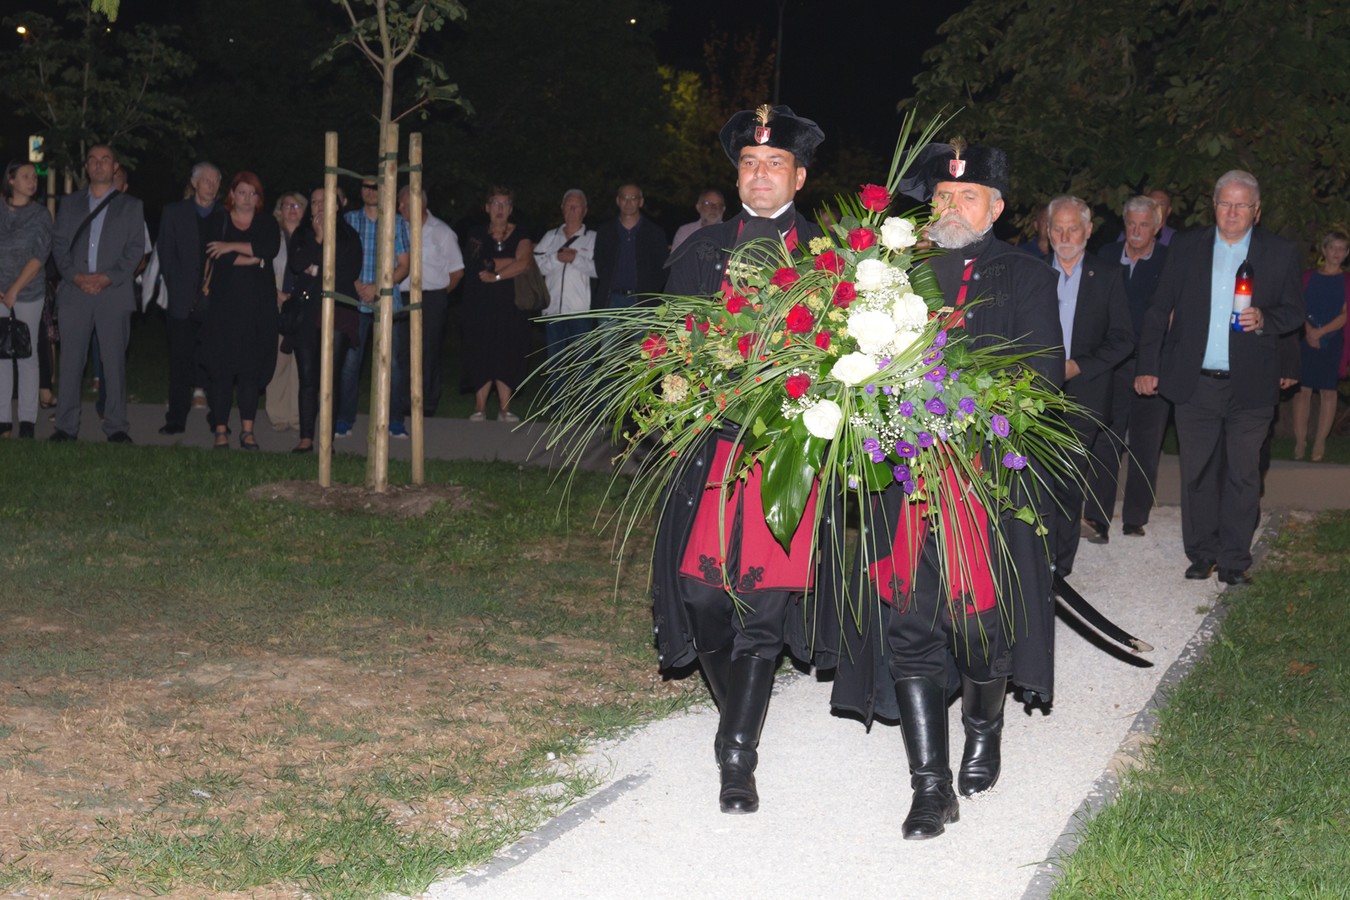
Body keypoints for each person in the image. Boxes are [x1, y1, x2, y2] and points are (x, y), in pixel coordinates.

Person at [826, 141, 1063, 840]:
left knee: (978, 623)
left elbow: (1042, 376)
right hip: (904, 476)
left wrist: (974, 409)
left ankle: (983, 728)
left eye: (968, 197)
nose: (951, 207)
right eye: (942, 196)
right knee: (909, 621)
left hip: (981, 480)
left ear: (995, 207)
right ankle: (929, 787)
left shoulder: (1023, 275)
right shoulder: (896, 275)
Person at [655, 104, 825, 815]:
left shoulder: (832, 256)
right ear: (736, 175)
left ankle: (736, 756)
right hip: (714, 447)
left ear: (800, 174)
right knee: (699, 594)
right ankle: (738, 720)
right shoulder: (700, 250)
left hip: (789, 451)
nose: (760, 175)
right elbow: (667, 343)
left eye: (775, 164)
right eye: (750, 164)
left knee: (761, 602)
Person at [1134, 170, 1304, 585]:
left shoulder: (1279, 253)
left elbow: (1294, 312)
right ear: (1214, 206)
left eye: (1241, 204)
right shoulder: (1188, 247)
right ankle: (1201, 552)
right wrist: (1147, 364)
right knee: (1197, 473)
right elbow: (1160, 309)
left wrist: (1265, 318)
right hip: (1194, 384)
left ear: (1256, 211)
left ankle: (1233, 560)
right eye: (1225, 203)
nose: (1232, 212)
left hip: (1251, 384)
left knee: (1243, 474)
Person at [1044, 195, 1134, 561]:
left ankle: (1058, 566)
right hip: (1034, 392)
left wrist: (1080, 364)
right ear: (1048, 231)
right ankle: (1036, 558)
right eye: (1058, 228)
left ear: (1088, 231)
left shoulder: (1108, 276)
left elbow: (1124, 338)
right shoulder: (1031, 273)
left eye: (1073, 228)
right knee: (1037, 480)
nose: (1065, 236)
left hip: (1085, 392)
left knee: (1066, 479)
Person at [1087, 195, 1171, 537]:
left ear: (1158, 227)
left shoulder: (1169, 262)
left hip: (1154, 365)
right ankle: (1097, 517)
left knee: (1145, 445)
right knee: (1105, 441)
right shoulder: (1106, 257)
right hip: (1111, 365)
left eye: (1144, 225)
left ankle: (1136, 517)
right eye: (1131, 224)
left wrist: (1155, 364)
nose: (1136, 231)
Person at [50, 144, 145, 443]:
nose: (99, 164)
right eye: (93, 160)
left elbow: (135, 251)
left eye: (105, 160)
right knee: (71, 362)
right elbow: (59, 246)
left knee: (113, 361)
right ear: (87, 167)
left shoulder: (131, 206)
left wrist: (106, 278)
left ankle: (116, 426)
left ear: (115, 167)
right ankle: (65, 427)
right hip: (74, 293)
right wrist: (76, 277)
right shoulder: (70, 203)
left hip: (112, 292)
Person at [199, 171, 281, 450]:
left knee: (250, 372)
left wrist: (231, 247)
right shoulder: (217, 220)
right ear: (231, 194)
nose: (246, 197)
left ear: (259, 198)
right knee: (221, 373)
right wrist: (253, 257)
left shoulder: (267, 222)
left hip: (257, 312)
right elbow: (214, 256)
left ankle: (248, 431)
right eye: (242, 192)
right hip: (222, 311)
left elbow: (268, 249)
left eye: (252, 193)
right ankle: (220, 429)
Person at [287, 187, 362, 452]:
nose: (319, 206)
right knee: (308, 376)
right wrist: (318, 241)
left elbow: (347, 270)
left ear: (337, 205)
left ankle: (326, 439)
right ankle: (306, 437)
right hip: (307, 313)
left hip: (338, 312)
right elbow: (297, 264)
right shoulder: (303, 234)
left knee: (331, 377)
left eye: (325, 201)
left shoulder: (349, 236)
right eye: (315, 201)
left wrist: (316, 266)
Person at [338, 178, 411, 438]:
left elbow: (404, 264)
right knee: (349, 363)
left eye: (377, 186)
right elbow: (340, 258)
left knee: (391, 364)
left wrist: (378, 288)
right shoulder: (348, 220)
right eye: (367, 186)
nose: (371, 191)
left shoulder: (398, 222)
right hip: (354, 301)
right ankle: (344, 419)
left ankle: (395, 421)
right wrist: (357, 284)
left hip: (387, 302)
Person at [156, 162, 221, 436]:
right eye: (205, 179)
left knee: (216, 360)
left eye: (215, 180)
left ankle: (217, 416)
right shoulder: (174, 213)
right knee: (180, 361)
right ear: (194, 183)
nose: (210, 184)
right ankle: (176, 418)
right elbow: (165, 253)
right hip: (182, 299)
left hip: (215, 301)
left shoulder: (225, 215)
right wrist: (177, 288)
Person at [460, 187, 533, 422]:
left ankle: (505, 408)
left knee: (507, 352)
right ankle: (480, 407)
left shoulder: (521, 232)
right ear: (487, 207)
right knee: (481, 350)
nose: (500, 209)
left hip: (511, 305)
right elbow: (476, 264)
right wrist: (506, 262)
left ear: (511, 209)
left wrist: (496, 273)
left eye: (505, 204)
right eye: (495, 204)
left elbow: (524, 263)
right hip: (480, 304)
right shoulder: (476, 232)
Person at [397, 186, 464, 417]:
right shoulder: (398, 230)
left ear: (420, 204)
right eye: (400, 204)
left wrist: (439, 296)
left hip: (432, 297)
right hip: (403, 296)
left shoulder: (442, 232)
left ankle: (427, 403)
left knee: (429, 351)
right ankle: (404, 401)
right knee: (402, 351)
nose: (400, 208)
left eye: (404, 204)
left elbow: (457, 272)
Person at [0, 161, 53, 439]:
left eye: (34, 177)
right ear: (10, 180)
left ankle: (28, 421)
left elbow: (39, 255)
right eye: (25, 177)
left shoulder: (40, 215)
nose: (32, 182)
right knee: (1, 356)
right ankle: (3, 420)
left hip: (28, 294)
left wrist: (14, 289)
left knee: (26, 353)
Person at [1292, 230, 1347, 461]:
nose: (1337, 253)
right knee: (1302, 391)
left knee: (1328, 393)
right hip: (1305, 339)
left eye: (1342, 249)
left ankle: (1319, 443)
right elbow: (1297, 305)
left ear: (1346, 253)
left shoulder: (1347, 281)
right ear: (1324, 250)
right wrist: (1309, 331)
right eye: (1332, 247)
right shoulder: (1307, 277)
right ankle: (1300, 441)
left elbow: (1346, 314)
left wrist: (1320, 332)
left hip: (1333, 342)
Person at [534, 189, 596, 367]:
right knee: (555, 364)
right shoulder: (550, 236)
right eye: (569, 204)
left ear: (585, 210)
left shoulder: (593, 239)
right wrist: (556, 258)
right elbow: (536, 267)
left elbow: (598, 270)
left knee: (583, 365)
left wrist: (575, 259)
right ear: (562, 208)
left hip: (580, 312)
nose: (572, 209)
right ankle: (558, 396)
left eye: (577, 206)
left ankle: (584, 396)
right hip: (552, 311)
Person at [265, 191, 307, 432]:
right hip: (278, 303)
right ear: (279, 210)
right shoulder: (273, 236)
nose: (292, 209)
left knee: (301, 364)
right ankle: (279, 415)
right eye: (287, 205)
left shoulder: (310, 236)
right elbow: (263, 268)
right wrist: (277, 294)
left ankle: (298, 415)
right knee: (279, 360)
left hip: (303, 304)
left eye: (297, 205)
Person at [592, 184, 667, 311]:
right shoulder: (606, 231)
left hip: (642, 302)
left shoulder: (654, 232)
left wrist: (648, 291)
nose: (628, 202)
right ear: (617, 201)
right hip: (611, 300)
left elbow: (663, 267)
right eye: (624, 198)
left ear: (641, 201)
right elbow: (600, 263)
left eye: (633, 198)